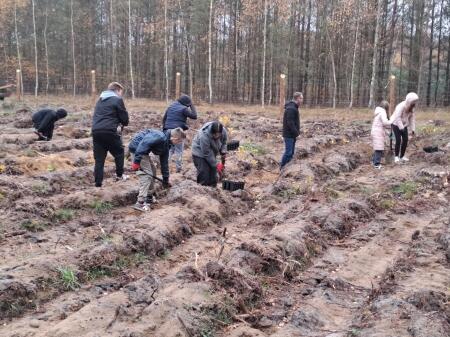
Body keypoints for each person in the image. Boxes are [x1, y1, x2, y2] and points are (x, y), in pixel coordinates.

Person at [129, 127, 186, 211]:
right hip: (137, 150)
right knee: (146, 175)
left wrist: (165, 180)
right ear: (174, 138)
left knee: (153, 171)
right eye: (179, 141)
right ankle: (140, 203)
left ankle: (149, 197)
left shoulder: (166, 144)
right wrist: (136, 162)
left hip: (143, 152)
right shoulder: (160, 137)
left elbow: (164, 163)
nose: (179, 143)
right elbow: (143, 145)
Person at [92, 82, 129, 187]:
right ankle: (119, 176)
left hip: (96, 131)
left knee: (99, 159)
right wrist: (122, 122)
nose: (121, 94)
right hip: (110, 131)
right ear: (117, 90)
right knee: (119, 153)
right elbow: (125, 119)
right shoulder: (117, 100)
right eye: (121, 92)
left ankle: (98, 183)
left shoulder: (99, 100)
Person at [162, 94, 198, 172]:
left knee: (170, 150)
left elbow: (164, 119)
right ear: (186, 103)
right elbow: (194, 116)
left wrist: (164, 130)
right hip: (177, 132)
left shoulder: (170, 107)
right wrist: (192, 105)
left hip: (168, 131)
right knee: (179, 150)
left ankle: (165, 166)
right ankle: (178, 168)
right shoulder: (184, 109)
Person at [191, 121, 228, 187]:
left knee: (213, 173)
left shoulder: (223, 131)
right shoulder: (204, 135)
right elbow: (206, 153)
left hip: (211, 152)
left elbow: (224, 142)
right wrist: (217, 164)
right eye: (215, 135)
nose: (217, 136)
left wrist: (223, 151)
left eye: (218, 135)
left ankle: (212, 190)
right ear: (212, 132)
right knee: (204, 174)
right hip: (199, 153)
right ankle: (202, 190)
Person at [389, 92, 419, 163]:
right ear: (409, 100)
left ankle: (402, 156)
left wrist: (413, 129)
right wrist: (401, 127)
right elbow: (397, 117)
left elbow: (412, 119)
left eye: (415, 101)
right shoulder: (401, 106)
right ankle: (396, 156)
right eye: (413, 101)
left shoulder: (412, 108)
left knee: (405, 140)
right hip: (396, 124)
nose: (414, 103)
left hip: (404, 125)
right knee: (398, 140)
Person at [280, 92, 303, 169]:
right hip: (289, 135)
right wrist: (297, 134)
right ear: (297, 98)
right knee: (288, 153)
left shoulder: (294, 107)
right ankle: (282, 167)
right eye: (301, 98)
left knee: (291, 153)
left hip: (292, 135)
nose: (302, 100)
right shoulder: (291, 109)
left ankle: (287, 168)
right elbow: (290, 123)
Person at [370, 101, 391, 169]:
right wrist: (391, 122)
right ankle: (376, 164)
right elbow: (385, 122)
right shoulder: (382, 112)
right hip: (378, 132)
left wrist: (390, 130)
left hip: (375, 131)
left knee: (377, 148)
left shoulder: (378, 112)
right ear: (386, 108)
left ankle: (373, 161)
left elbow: (382, 124)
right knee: (379, 149)